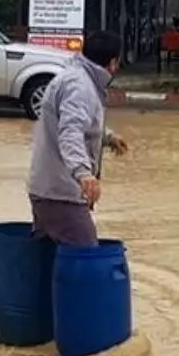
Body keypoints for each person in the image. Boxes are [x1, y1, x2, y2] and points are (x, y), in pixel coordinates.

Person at [28, 28, 128, 247]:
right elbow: (70, 131)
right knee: (87, 262)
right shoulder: (80, 86)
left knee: (48, 263)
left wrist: (107, 136)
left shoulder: (78, 78)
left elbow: (79, 123)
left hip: (48, 190)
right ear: (112, 63)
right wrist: (84, 173)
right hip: (60, 194)